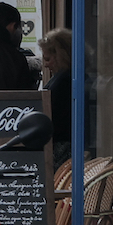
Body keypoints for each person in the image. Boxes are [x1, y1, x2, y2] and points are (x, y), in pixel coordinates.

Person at [40, 28, 73, 164]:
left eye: (48, 59)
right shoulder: (66, 78)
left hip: (61, 145)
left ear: (61, 55)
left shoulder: (62, 81)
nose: (46, 64)